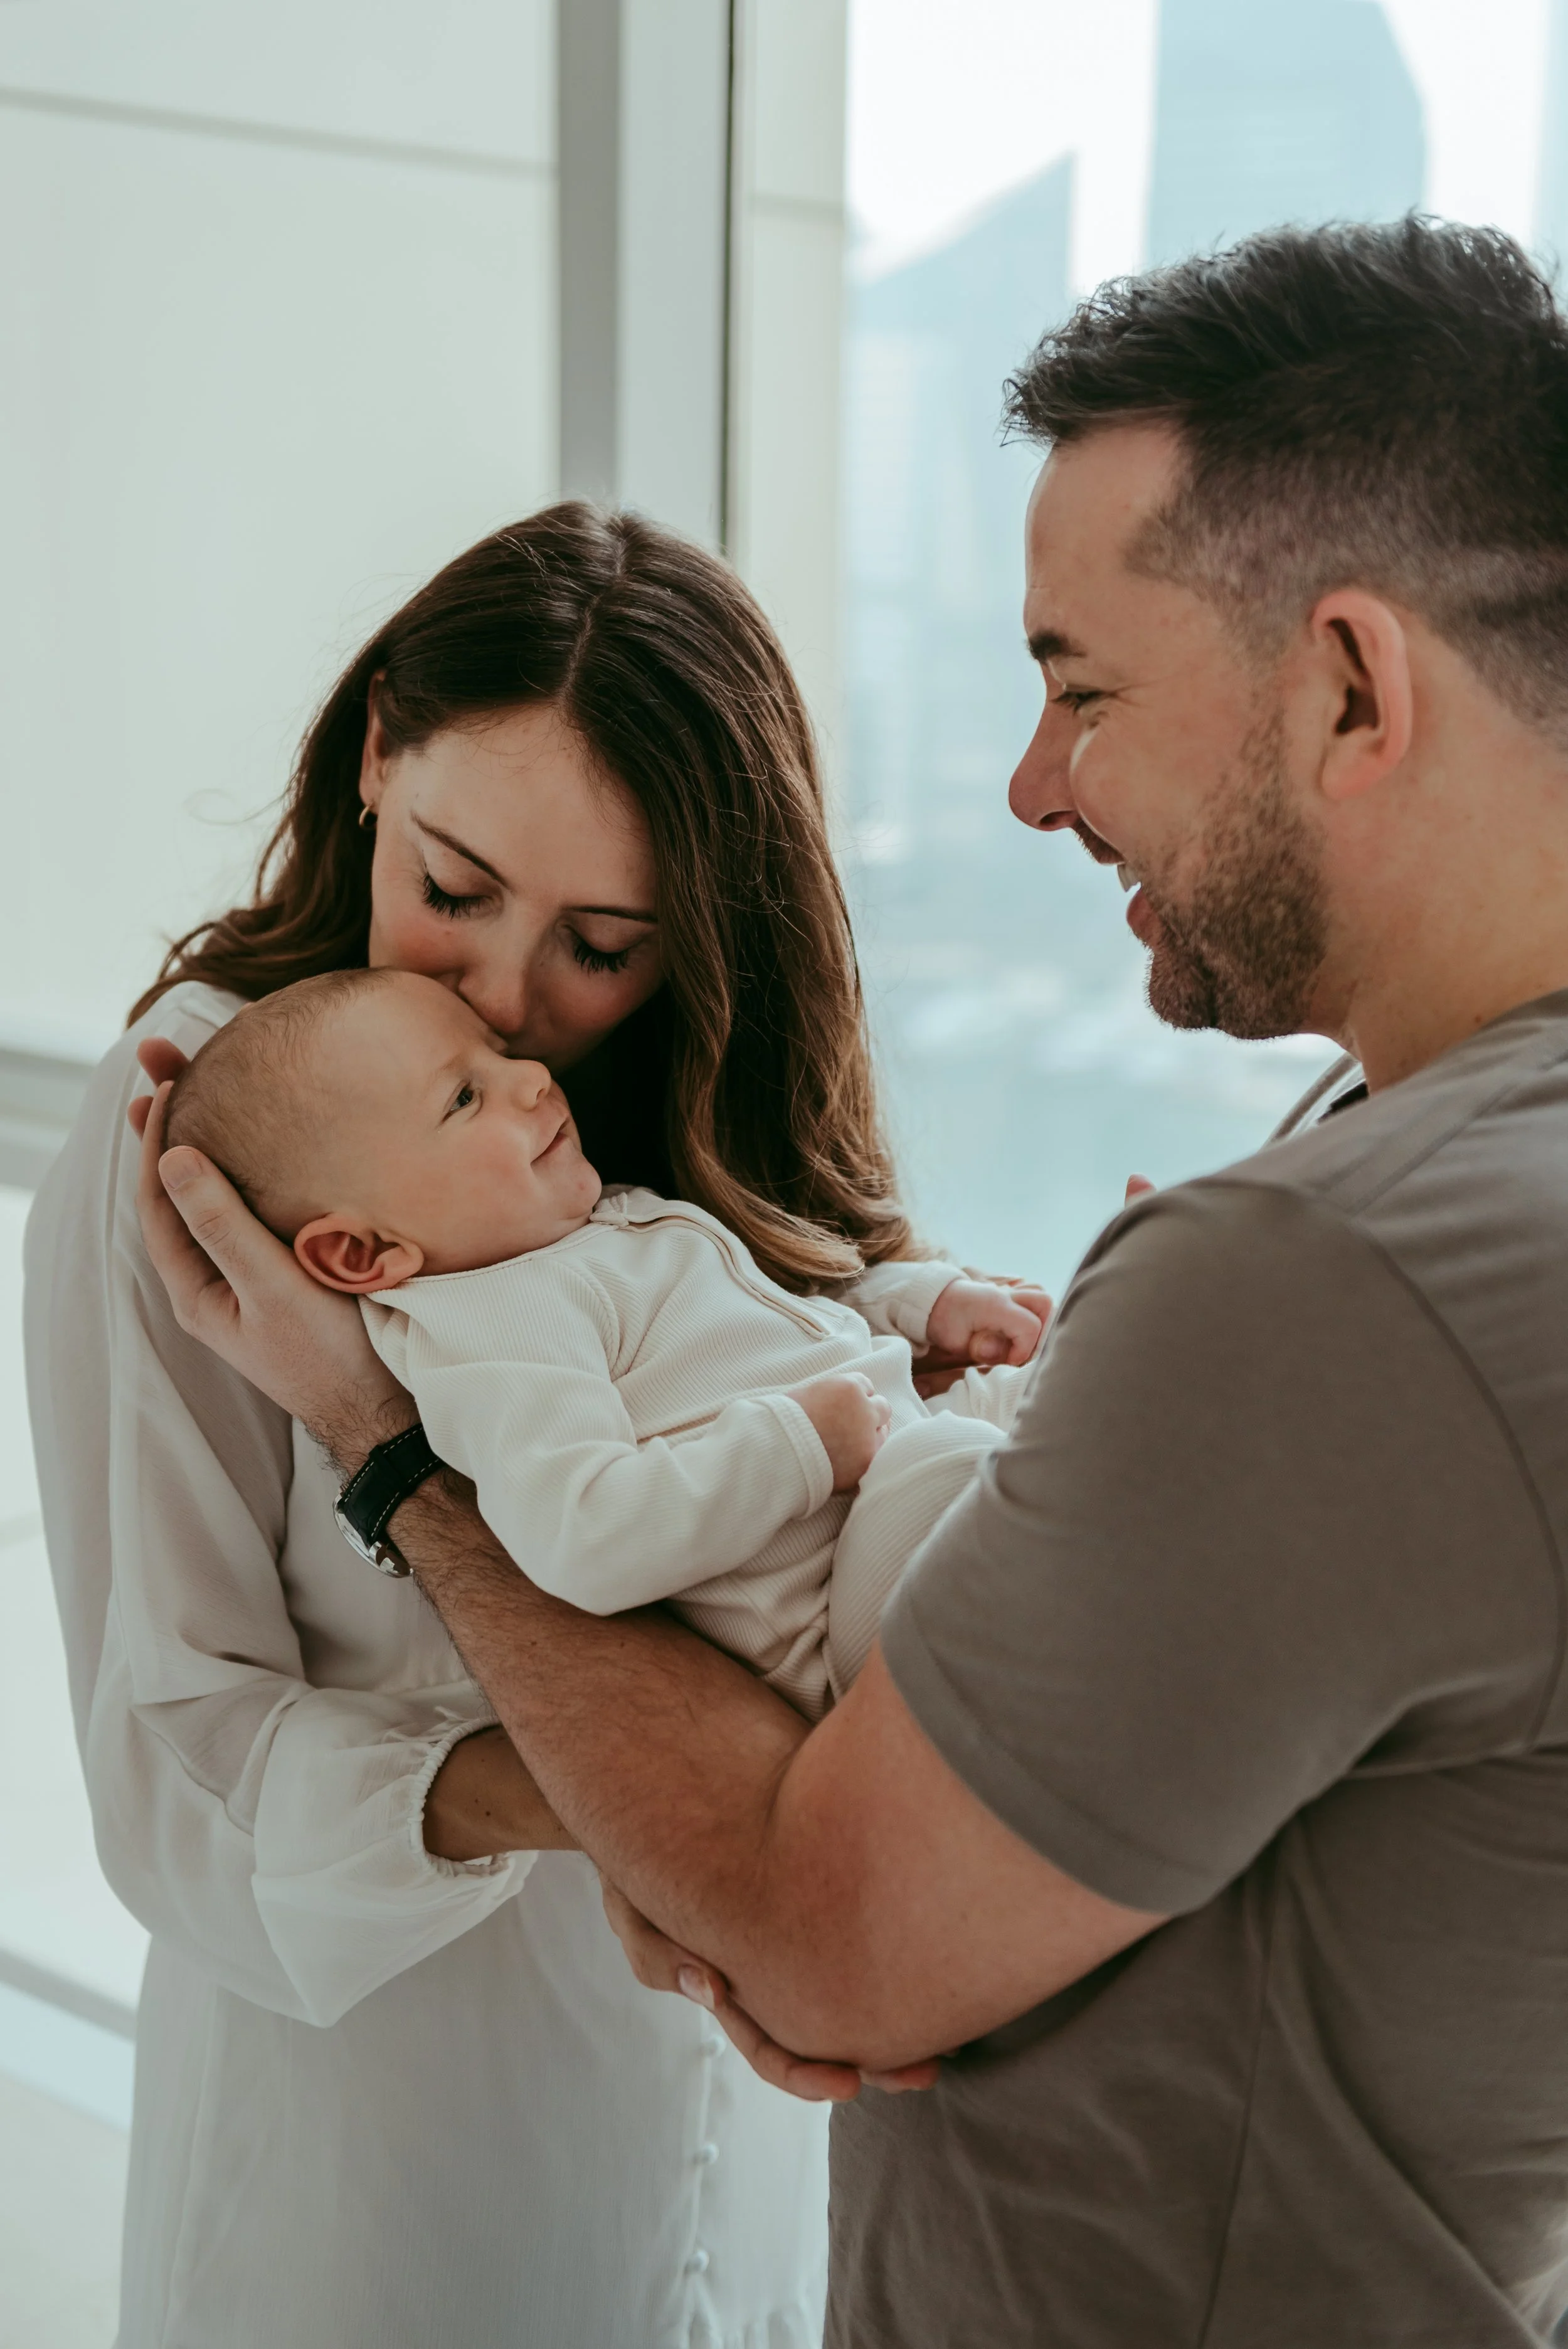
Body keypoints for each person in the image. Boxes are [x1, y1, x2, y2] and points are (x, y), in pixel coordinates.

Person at [134, 214, 1568, 2342]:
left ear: (1353, 684)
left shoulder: (1324, 1268)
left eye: (1081, 685)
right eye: (457, 888)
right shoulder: (1415, 1158)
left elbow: (823, 1929)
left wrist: (387, 1445)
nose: (1028, 777)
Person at [23, 501, 1016, 2348]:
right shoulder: (220, 1142)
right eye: (454, 887)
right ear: (377, 751)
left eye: (602, 944)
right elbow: (170, 1762)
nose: (503, 1006)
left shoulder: (645, 1122)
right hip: (388, 2171)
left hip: (739, 2101)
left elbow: (800, 1320)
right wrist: (637, 1808)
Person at [161, 965, 1042, 1715]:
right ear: (363, 1251)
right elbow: (587, 1537)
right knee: (981, 1458)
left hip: (897, 1472)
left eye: (499, 1058)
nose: (534, 1078)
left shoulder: (587, 1229)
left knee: (1066, 1371)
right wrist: (797, 1444)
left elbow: (778, 1311)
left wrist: (915, 1306)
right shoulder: (490, 1328)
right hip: (837, 1606)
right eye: (465, 1098)